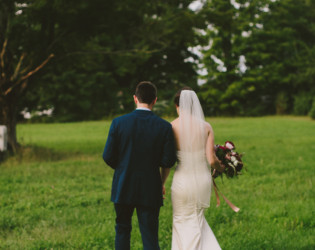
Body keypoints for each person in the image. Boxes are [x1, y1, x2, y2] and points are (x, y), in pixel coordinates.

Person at [103, 81, 177, 250]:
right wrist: (161, 182)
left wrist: (123, 167)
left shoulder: (118, 123)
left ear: (135, 98)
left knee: (122, 229)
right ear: (155, 100)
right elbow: (168, 161)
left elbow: (108, 156)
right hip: (150, 187)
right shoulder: (164, 127)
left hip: (123, 185)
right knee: (150, 234)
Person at [161, 87, 224, 250]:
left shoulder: (171, 127)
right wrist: (222, 167)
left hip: (183, 181)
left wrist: (161, 182)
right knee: (197, 220)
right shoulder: (206, 126)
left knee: (181, 221)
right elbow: (211, 160)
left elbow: (168, 161)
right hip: (202, 180)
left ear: (177, 106)